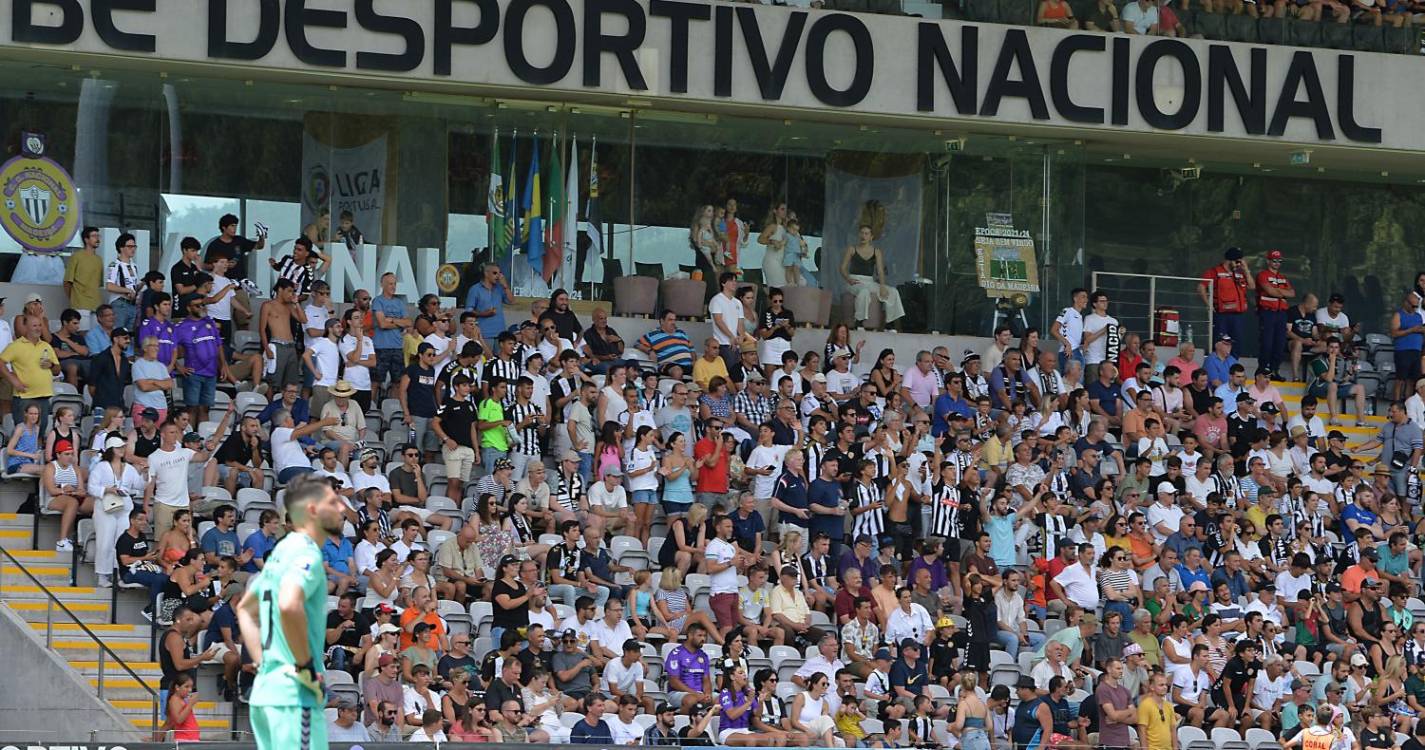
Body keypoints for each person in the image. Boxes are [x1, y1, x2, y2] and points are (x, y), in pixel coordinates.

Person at [236, 475, 347, 750]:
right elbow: (289, 603)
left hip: (268, 691)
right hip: (294, 696)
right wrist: (304, 668)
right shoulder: (306, 554)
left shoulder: (280, 553)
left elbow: (246, 610)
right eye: (332, 502)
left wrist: (265, 664)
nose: (342, 508)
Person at [839, 224, 905, 328]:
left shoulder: (876, 252)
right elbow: (842, 268)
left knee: (892, 292)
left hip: (869, 281)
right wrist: (848, 279)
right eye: (861, 233)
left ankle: (890, 323)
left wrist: (882, 286)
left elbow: (880, 270)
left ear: (871, 237)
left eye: (866, 233)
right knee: (864, 291)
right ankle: (859, 322)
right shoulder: (852, 249)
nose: (863, 236)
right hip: (854, 280)